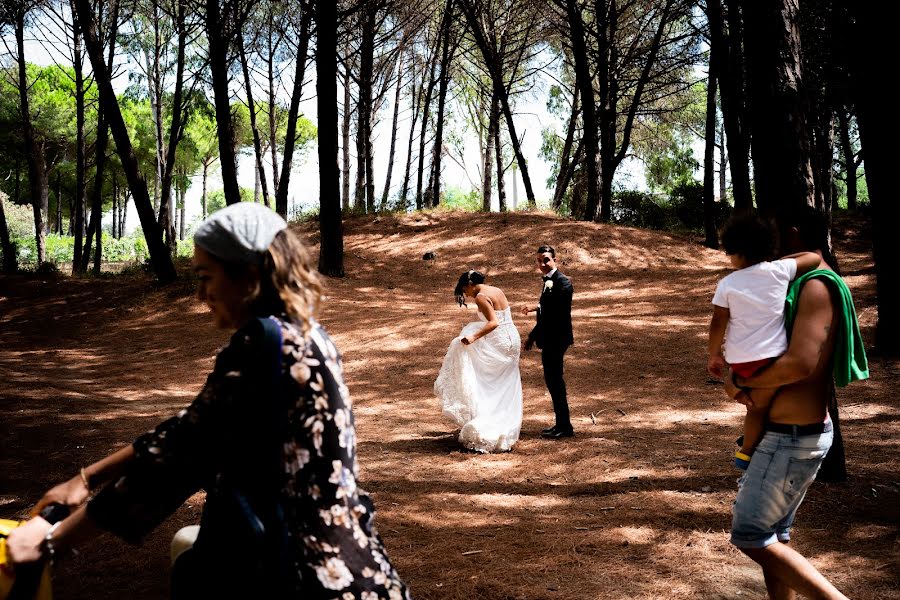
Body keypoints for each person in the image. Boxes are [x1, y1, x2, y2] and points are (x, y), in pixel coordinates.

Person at [6, 203, 411, 599]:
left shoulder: (264, 344)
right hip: (353, 560)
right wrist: (86, 479)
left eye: (205, 277)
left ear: (248, 275)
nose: (200, 294)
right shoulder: (307, 336)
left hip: (301, 575)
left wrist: (55, 541)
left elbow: (185, 456)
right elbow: (193, 426)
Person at [723, 205, 868, 600]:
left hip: (791, 438)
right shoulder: (795, 282)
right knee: (774, 536)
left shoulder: (816, 285)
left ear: (793, 233)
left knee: (751, 537)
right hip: (786, 434)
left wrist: (741, 382)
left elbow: (799, 364)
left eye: (777, 237)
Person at [707, 213, 822, 469]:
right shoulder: (779, 271)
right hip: (773, 358)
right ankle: (749, 447)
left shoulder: (728, 283)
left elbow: (718, 322)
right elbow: (814, 258)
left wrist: (714, 354)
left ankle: (744, 437)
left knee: (753, 404)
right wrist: (781, 260)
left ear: (737, 252)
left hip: (742, 360)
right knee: (759, 408)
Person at [434, 270, 523, 453]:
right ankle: (505, 426)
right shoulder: (495, 290)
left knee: (487, 380)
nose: (465, 294)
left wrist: (473, 337)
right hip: (512, 339)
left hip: (500, 341)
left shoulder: (481, 297)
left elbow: (493, 323)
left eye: (463, 289)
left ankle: (490, 424)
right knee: (505, 383)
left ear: (469, 284)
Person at [522, 245, 574, 439]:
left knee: (555, 382)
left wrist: (531, 336)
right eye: (539, 261)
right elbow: (546, 306)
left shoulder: (563, 283)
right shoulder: (549, 282)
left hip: (557, 339)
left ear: (554, 260)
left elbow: (552, 315)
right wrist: (535, 308)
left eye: (546, 260)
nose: (542, 264)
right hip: (551, 338)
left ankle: (565, 427)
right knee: (552, 382)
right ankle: (561, 424)